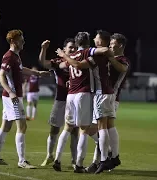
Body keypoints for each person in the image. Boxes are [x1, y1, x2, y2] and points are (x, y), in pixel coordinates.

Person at [0, 29, 50, 168]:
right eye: (20, 39)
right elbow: (1, 76)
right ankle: (22, 161)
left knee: (5, 127)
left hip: (12, 97)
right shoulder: (9, 56)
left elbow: (22, 69)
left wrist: (38, 73)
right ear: (13, 41)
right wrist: (11, 92)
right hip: (13, 97)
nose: (23, 41)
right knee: (22, 126)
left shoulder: (16, 56)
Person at [54, 32, 110, 173]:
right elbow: (84, 61)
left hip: (70, 95)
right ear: (87, 43)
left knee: (67, 128)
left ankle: (57, 159)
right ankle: (79, 164)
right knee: (83, 129)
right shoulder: (87, 52)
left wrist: (63, 56)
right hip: (83, 94)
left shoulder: (71, 55)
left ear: (77, 43)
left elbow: (61, 66)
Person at [86, 32, 130, 174]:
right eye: (109, 44)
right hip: (106, 96)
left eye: (113, 44)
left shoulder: (123, 60)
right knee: (99, 129)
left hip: (110, 97)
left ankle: (103, 159)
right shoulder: (109, 58)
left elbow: (122, 69)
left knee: (98, 128)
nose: (110, 46)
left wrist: (110, 57)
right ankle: (108, 157)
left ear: (120, 45)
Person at [39, 38, 79, 168]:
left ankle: (74, 160)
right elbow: (43, 63)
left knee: (75, 131)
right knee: (54, 129)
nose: (73, 49)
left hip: (75, 101)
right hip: (61, 100)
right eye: (70, 47)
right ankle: (49, 155)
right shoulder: (58, 62)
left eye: (74, 47)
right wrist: (44, 49)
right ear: (64, 49)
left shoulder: (77, 61)